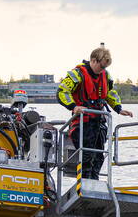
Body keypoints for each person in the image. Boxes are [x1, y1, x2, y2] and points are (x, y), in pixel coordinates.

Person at [56, 47, 133, 179]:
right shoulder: (77, 73)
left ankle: (94, 184)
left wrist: (119, 108)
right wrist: (74, 107)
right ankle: (84, 186)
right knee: (86, 156)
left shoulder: (105, 75)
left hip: (99, 121)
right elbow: (62, 92)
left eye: (105, 67)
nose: (102, 70)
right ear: (93, 60)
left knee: (99, 156)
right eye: (101, 66)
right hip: (82, 122)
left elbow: (109, 93)